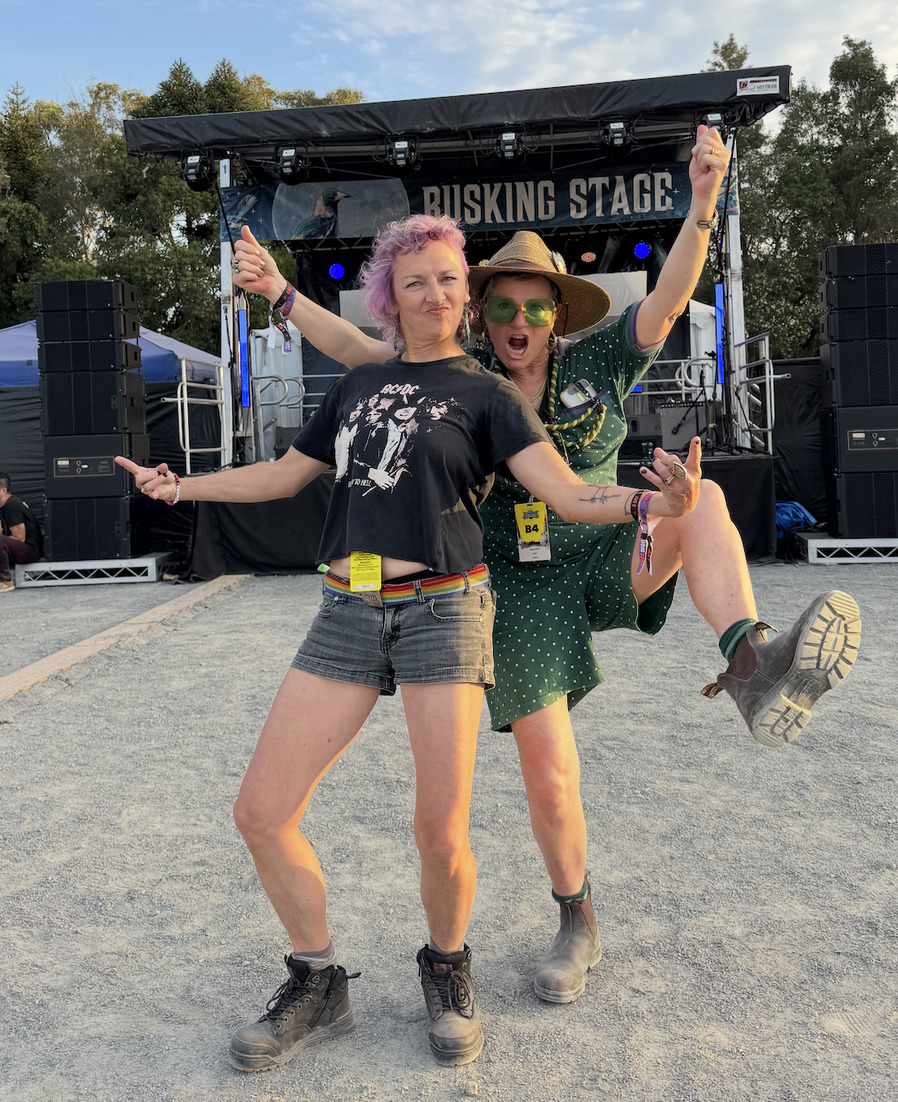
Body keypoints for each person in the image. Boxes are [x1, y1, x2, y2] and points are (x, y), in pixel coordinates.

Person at [231, 125, 861, 1006]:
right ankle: (578, 918)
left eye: (534, 308)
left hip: (606, 549)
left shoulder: (602, 357)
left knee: (704, 501)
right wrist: (279, 293)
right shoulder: (458, 372)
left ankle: (751, 661)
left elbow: (670, 299)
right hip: (512, 587)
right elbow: (355, 351)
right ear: (479, 313)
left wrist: (704, 205)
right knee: (551, 774)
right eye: (502, 308)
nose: (518, 322)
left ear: (558, 314)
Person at [116, 214, 697, 1072]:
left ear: (467, 297)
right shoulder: (359, 384)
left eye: (449, 279)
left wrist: (651, 504)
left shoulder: (489, 394)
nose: (434, 294)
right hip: (347, 609)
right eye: (415, 281)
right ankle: (318, 980)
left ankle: (447, 969)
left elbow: (570, 494)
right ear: (390, 296)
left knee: (441, 831)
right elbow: (283, 475)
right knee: (261, 813)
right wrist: (182, 488)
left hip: (445, 610)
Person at [0, 472, 43, 592]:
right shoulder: (6, 506)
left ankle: (5, 582)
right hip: (21, 549)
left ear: (3, 490)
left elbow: (20, 538)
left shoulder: (12, 505)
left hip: (29, 551)